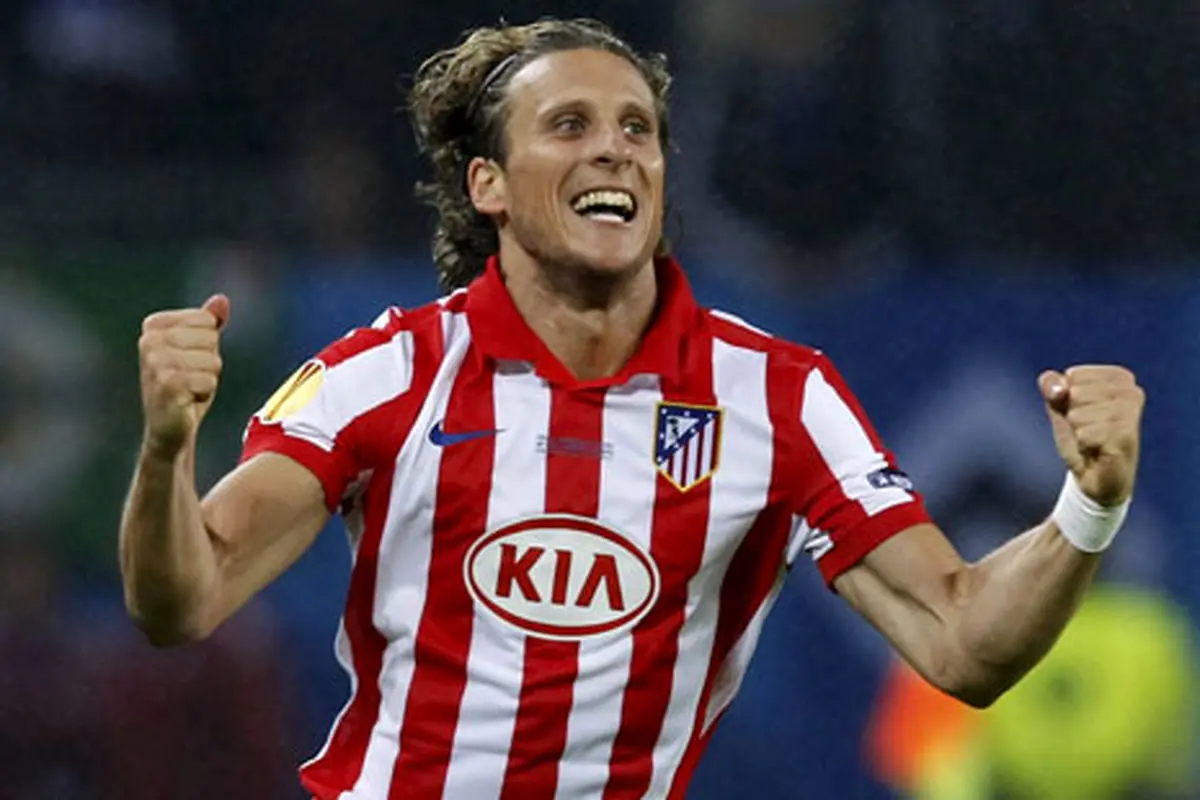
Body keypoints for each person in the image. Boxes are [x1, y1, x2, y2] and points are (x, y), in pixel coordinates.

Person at [119, 18, 1146, 800]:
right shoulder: (385, 375)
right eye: (569, 125)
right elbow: (182, 600)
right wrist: (166, 449)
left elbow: (963, 644)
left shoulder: (778, 397)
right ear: (489, 184)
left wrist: (1089, 505)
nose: (615, 149)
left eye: (638, 129)